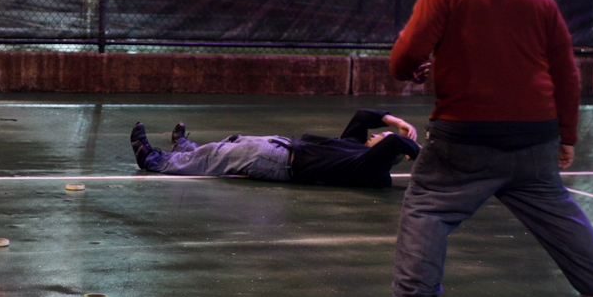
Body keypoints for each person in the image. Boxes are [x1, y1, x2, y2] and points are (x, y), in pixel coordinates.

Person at [387, 0, 593, 297]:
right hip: (534, 138)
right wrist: (566, 136)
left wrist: (411, 71)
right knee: (557, 215)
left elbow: (404, 57)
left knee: (427, 207)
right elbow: (566, 74)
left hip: (463, 136)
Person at [130, 109, 421, 188]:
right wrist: (396, 121)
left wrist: (415, 147)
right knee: (223, 147)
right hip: (277, 148)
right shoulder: (354, 148)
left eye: (381, 136)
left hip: (278, 162)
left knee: (217, 157)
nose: (380, 133)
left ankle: (153, 160)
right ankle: (184, 146)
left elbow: (394, 143)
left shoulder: (363, 168)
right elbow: (362, 115)